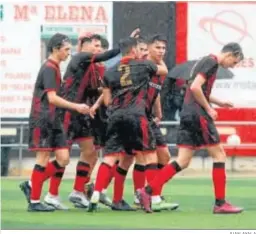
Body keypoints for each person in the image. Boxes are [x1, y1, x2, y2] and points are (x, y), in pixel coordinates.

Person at [137, 42, 245, 214]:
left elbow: (194, 87)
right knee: (219, 155)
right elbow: (195, 87)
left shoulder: (204, 61)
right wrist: (209, 108)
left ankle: (146, 191)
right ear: (232, 54)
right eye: (234, 62)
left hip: (187, 114)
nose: (232, 65)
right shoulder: (211, 62)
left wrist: (218, 102)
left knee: (183, 161)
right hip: (198, 115)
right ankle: (220, 203)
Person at [87, 37, 168, 212]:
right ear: (134, 50)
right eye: (140, 49)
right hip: (137, 116)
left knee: (112, 157)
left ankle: (96, 193)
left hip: (115, 117)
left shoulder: (109, 71)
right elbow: (164, 71)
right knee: (150, 156)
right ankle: (153, 197)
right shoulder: (143, 65)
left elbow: (107, 101)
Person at [42, 34, 121, 209]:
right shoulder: (81, 57)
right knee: (63, 157)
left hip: (81, 113)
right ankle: (47, 191)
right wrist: (125, 45)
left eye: (101, 46)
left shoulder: (93, 66)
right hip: (67, 112)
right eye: (95, 45)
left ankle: (78, 191)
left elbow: (94, 89)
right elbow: (104, 59)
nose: (99, 49)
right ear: (84, 46)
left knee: (90, 151)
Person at [19, 33, 90, 212]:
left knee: (63, 158)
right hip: (42, 118)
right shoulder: (49, 68)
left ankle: (30, 184)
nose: (69, 53)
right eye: (66, 49)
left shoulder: (56, 67)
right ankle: (34, 201)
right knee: (42, 158)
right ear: (55, 49)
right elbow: (52, 98)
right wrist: (76, 106)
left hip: (54, 119)